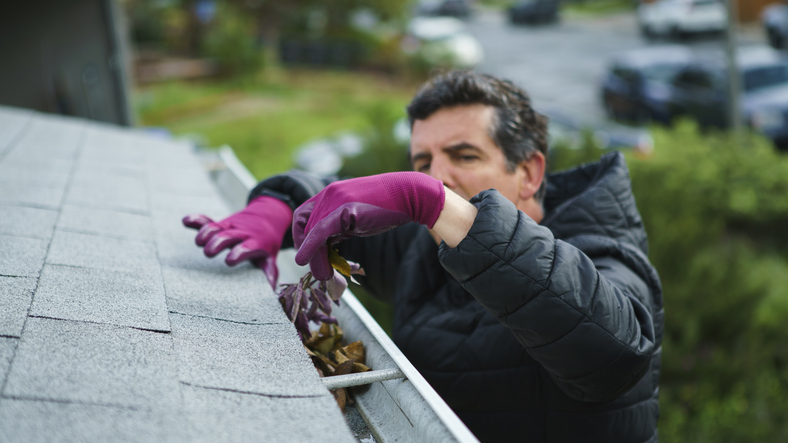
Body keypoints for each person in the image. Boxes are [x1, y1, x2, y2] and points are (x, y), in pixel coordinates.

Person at [183, 70, 663, 443]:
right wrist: (280, 207)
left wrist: (429, 200)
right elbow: (334, 207)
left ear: (529, 172)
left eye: (465, 156)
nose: (440, 177)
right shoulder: (423, 245)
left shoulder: (604, 248)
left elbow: (614, 354)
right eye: (422, 165)